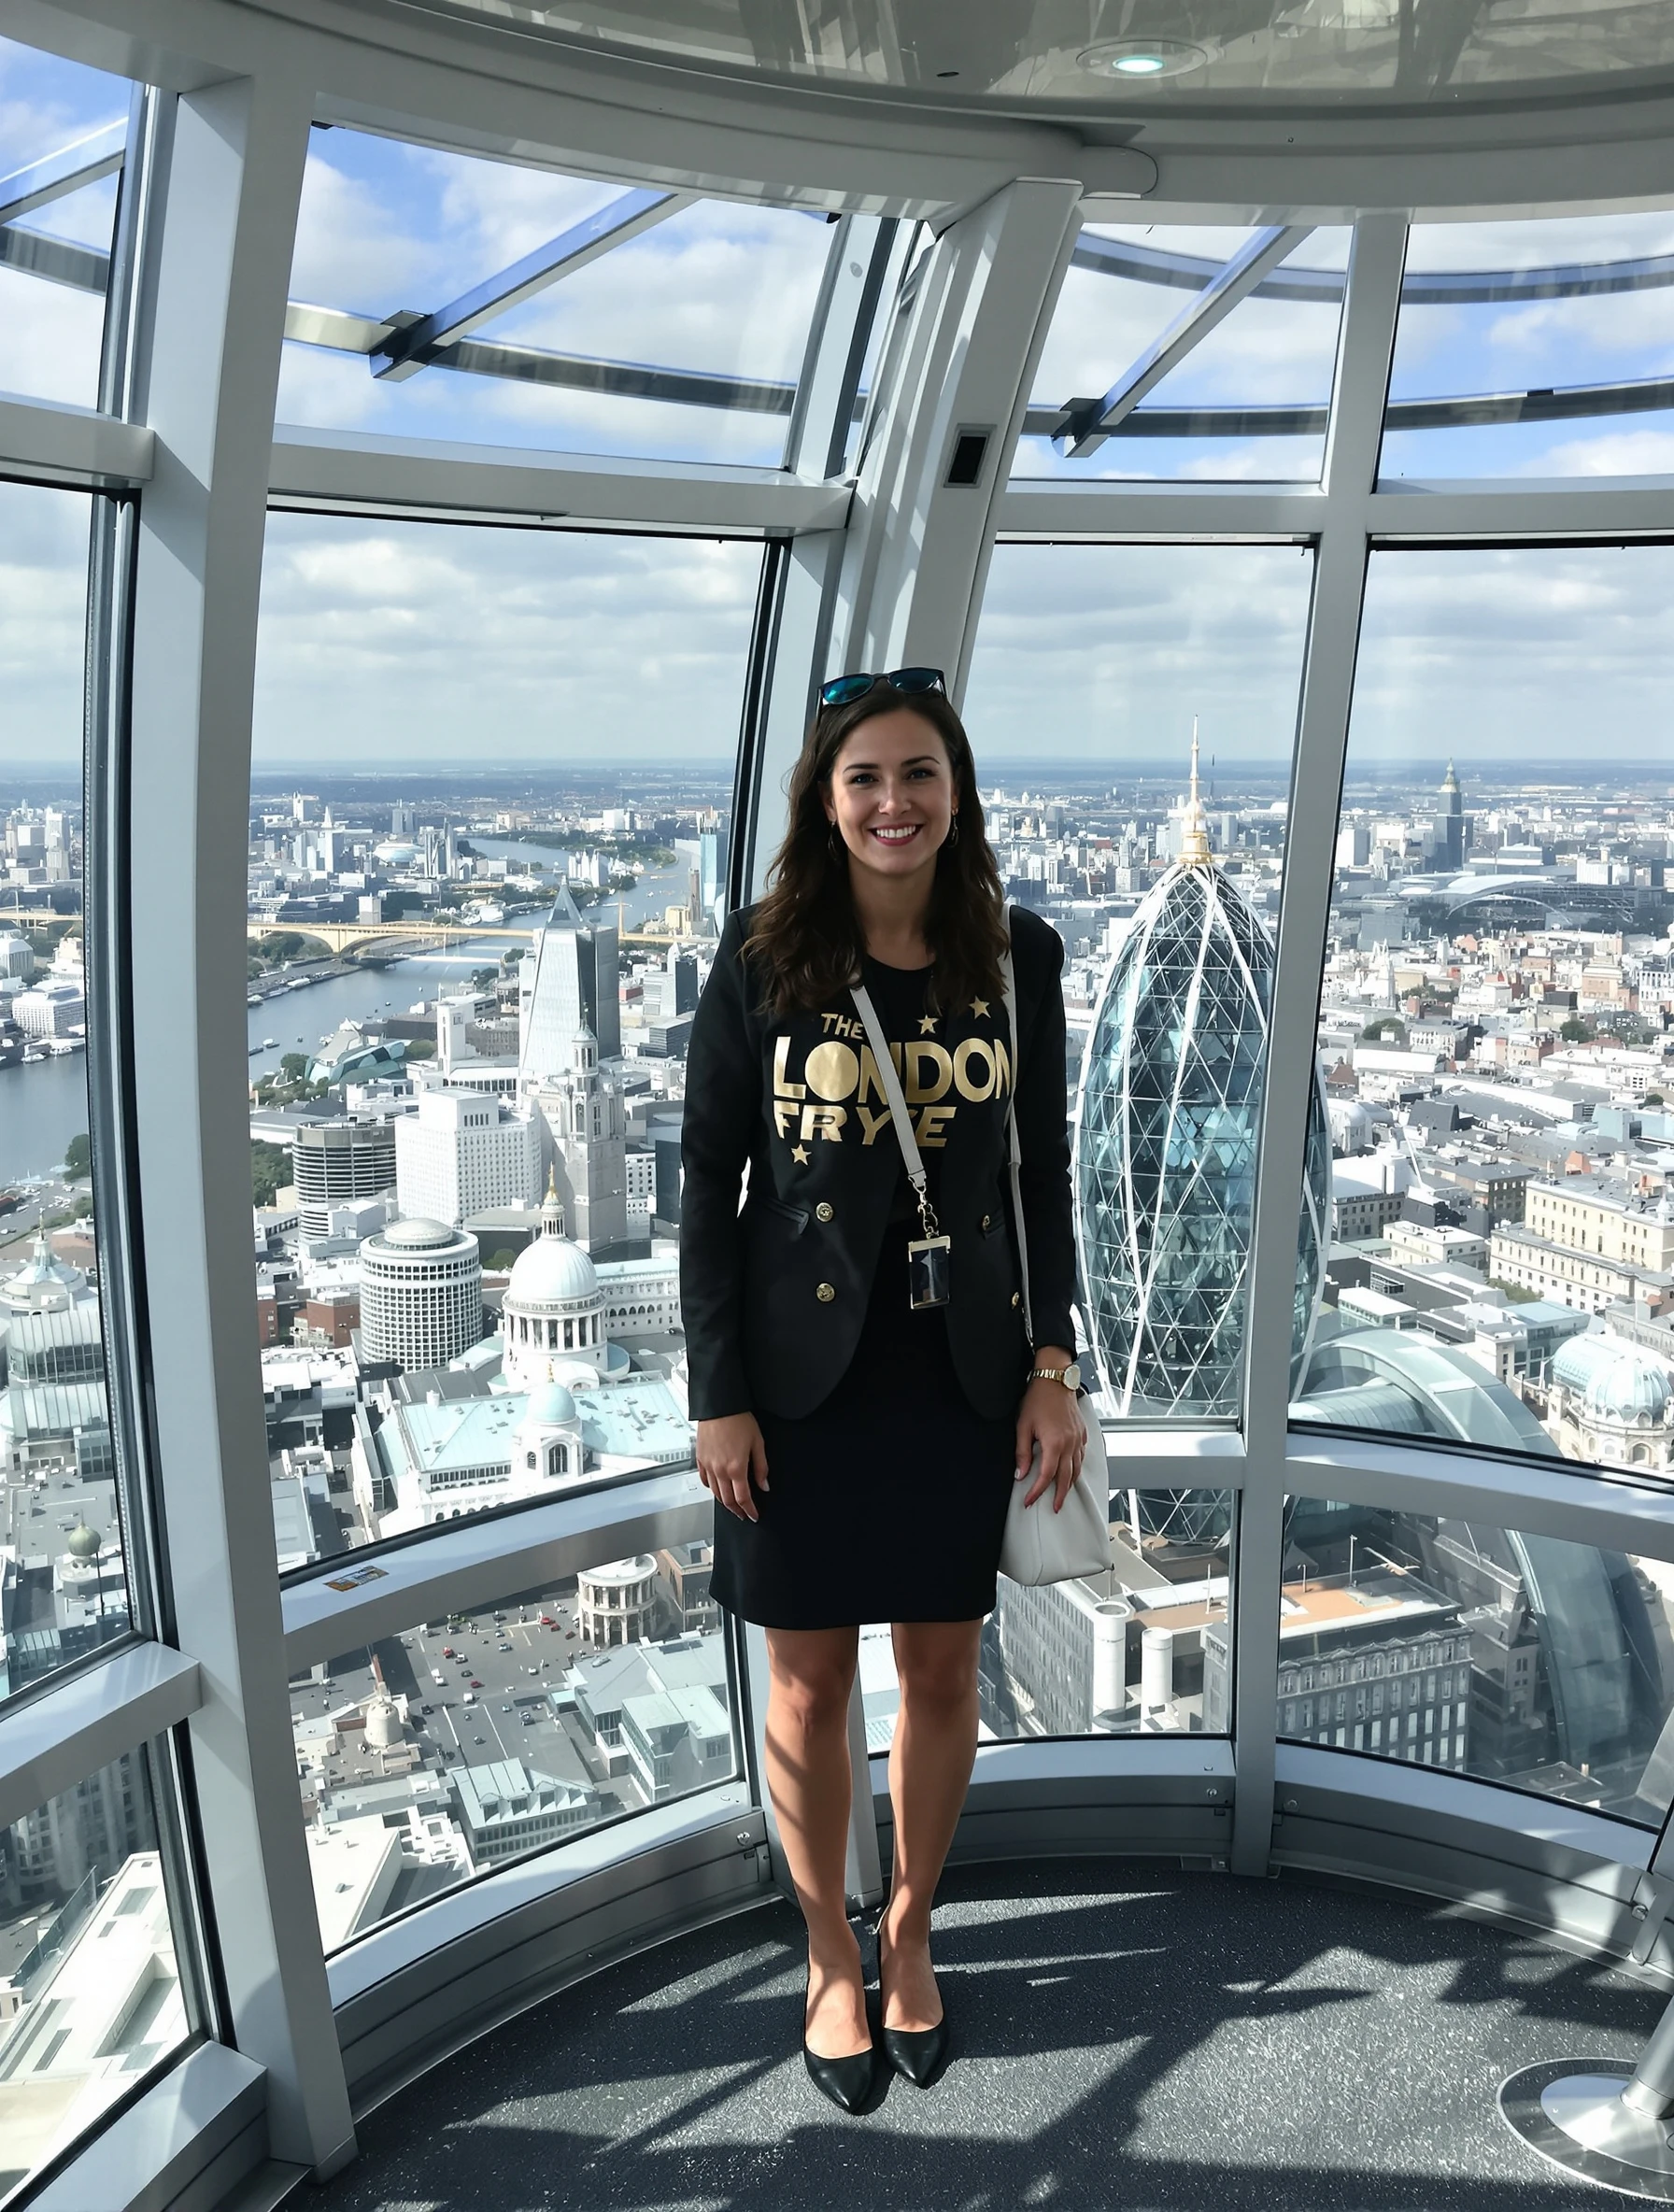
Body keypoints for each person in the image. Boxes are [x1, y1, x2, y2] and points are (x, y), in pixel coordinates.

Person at [680, 667, 1084, 2114]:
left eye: (919, 774)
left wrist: (1052, 1364)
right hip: (797, 1388)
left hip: (960, 1375)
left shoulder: (1016, 957)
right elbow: (707, 1184)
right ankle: (825, 1953)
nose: (893, 802)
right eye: (865, 778)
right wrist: (718, 1394)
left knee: (942, 1671)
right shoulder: (761, 960)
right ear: (827, 800)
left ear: (957, 793)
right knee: (805, 1686)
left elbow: (1041, 1170)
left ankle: (910, 1929)